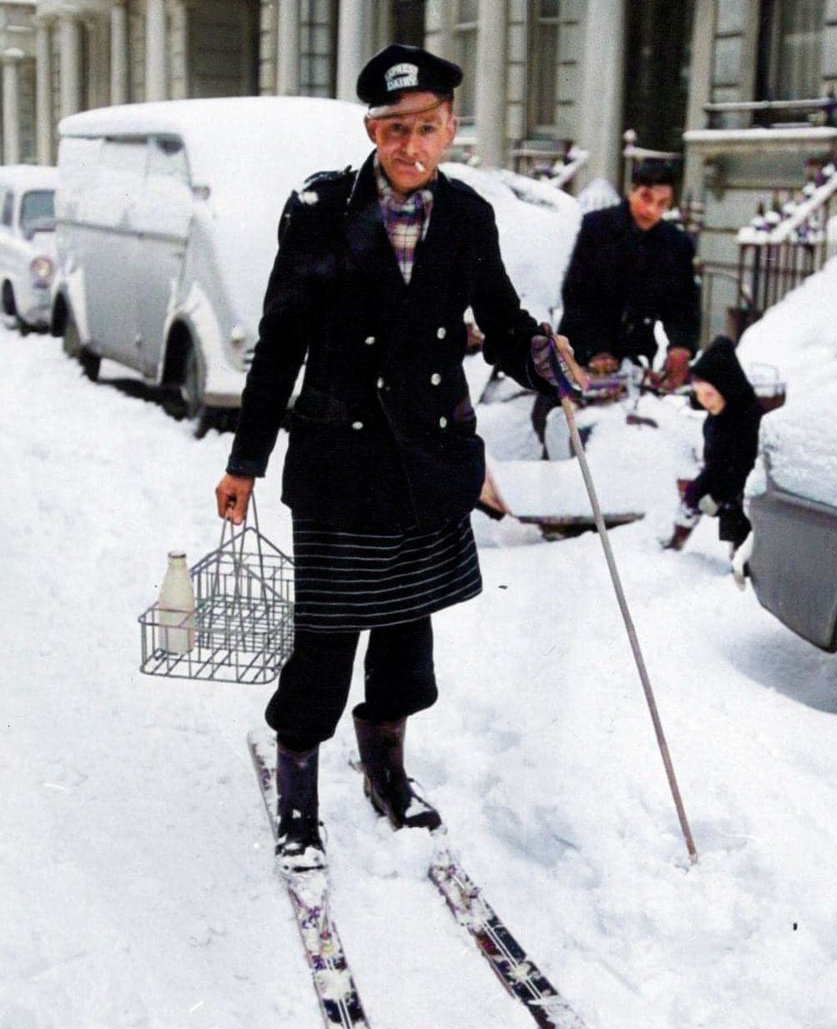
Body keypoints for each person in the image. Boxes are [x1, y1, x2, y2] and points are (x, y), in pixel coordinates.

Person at [214, 44, 586, 873]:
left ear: (450, 127)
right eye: (391, 130)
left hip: (424, 461)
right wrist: (245, 461)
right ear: (370, 130)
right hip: (340, 464)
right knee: (323, 639)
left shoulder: (466, 216)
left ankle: (387, 770)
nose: (409, 145)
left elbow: (498, 316)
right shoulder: (319, 210)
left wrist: (541, 356)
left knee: (405, 635)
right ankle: (299, 797)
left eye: (425, 127)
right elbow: (281, 342)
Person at [532, 158, 701, 446]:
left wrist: (681, 347)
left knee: (632, 433)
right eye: (647, 198)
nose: (653, 209)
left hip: (634, 351)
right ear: (632, 190)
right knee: (558, 426)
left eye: (663, 203)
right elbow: (577, 294)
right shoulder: (596, 228)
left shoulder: (676, 244)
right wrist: (596, 350)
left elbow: (683, 303)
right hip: (580, 347)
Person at [663, 335, 762, 554]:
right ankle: (677, 543)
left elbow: (743, 467)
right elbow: (717, 463)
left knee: (744, 539)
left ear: (726, 388)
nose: (704, 400)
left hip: (749, 497)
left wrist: (717, 496)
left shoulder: (746, 420)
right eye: (699, 394)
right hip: (728, 487)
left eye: (709, 393)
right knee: (694, 499)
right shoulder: (720, 412)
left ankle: (743, 571)